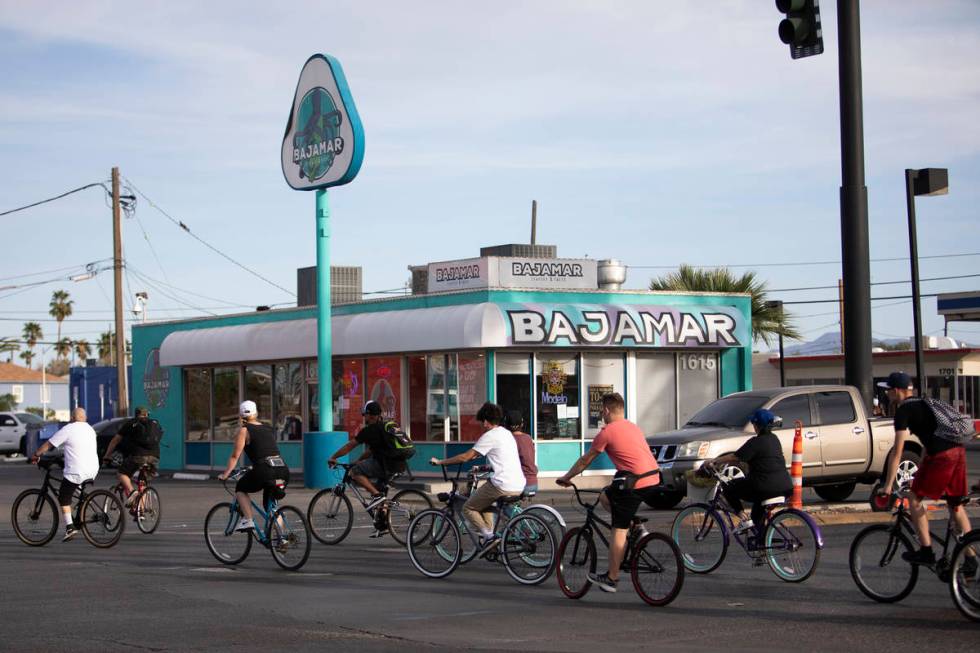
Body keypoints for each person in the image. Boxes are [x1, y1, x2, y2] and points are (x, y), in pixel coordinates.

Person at [556, 392, 660, 593]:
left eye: (601, 412)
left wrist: (567, 477)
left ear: (605, 410)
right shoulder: (633, 427)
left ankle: (612, 578)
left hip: (634, 483)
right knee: (606, 494)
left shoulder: (607, 432)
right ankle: (635, 526)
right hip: (653, 479)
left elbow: (586, 460)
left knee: (618, 530)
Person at [879, 371, 973, 566]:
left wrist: (888, 486)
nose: (887, 394)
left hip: (942, 456)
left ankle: (926, 551)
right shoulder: (925, 403)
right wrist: (920, 471)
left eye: (888, 391)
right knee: (955, 505)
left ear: (897, 391)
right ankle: (970, 558)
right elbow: (927, 443)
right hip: (958, 452)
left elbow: (897, 452)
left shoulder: (903, 411)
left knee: (913, 499)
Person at [430, 402, 525, 555]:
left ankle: (488, 537)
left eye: (482, 421)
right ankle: (489, 536)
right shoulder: (506, 433)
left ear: (486, 421)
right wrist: (484, 468)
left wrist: (441, 462)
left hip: (502, 484)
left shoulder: (490, 436)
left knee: (468, 507)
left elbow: (466, 457)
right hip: (518, 483)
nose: (482, 424)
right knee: (483, 501)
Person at [703, 408, 793, 542]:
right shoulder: (774, 439)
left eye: (754, 424)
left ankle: (743, 518)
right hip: (785, 486)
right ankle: (761, 543)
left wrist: (715, 461)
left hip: (764, 486)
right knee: (757, 513)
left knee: (729, 487)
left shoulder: (755, 442)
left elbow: (736, 456)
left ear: (757, 425)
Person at [328, 400, 406, 537]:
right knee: (380, 490)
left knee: (355, 472)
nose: (364, 417)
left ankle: (376, 496)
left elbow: (349, 446)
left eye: (365, 415)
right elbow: (371, 451)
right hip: (398, 464)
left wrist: (333, 457)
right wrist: (359, 460)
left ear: (370, 415)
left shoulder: (369, 430)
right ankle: (382, 525)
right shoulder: (385, 426)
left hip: (386, 465)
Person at [217, 401, 289, 533]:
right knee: (271, 507)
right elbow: (266, 450)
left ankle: (248, 520)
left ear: (240, 416)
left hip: (265, 470)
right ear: (256, 413)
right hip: (282, 469)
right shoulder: (268, 428)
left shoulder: (244, 431)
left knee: (240, 488)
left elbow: (234, 456)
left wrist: (225, 474)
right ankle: (282, 539)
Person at [30, 407, 99, 541]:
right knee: (76, 489)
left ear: (72, 417)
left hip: (77, 470)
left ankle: (70, 527)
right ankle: (81, 513)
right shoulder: (90, 429)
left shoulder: (69, 429)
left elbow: (49, 445)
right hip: (93, 469)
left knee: (64, 496)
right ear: (84, 418)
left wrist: (36, 454)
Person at [102, 406, 162, 506]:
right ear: (147, 414)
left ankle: (131, 492)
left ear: (136, 414)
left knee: (122, 473)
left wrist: (107, 455)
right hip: (155, 457)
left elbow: (115, 440)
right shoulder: (154, 424)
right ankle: (141, 511)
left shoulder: (131, 423)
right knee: (142, 483)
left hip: (138, 456)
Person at [504, 410, 538, 495]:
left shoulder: (508, 439)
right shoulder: (528, 438)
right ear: (522, 424)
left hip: (519, 483)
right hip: (533, 482)